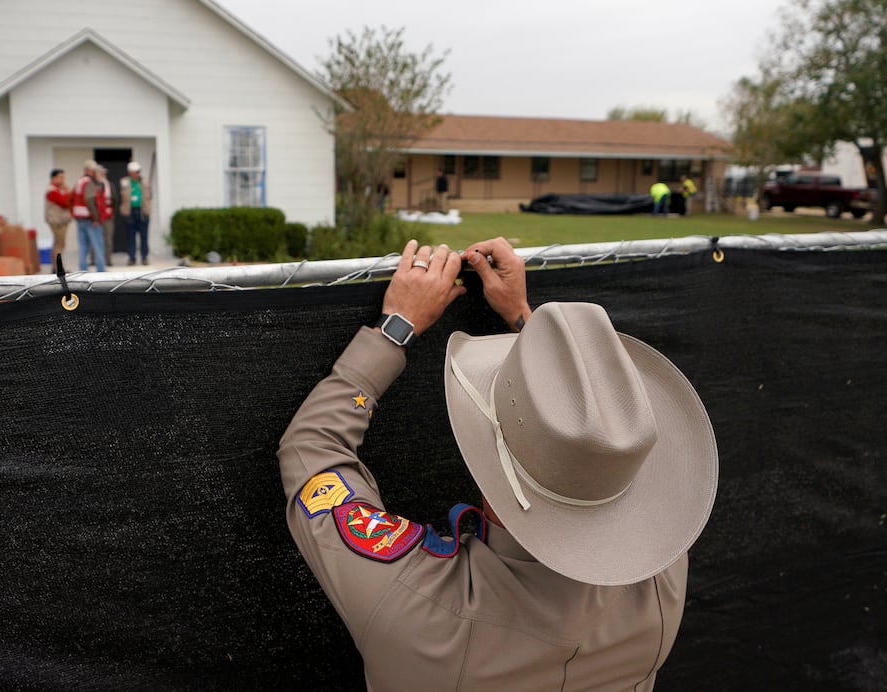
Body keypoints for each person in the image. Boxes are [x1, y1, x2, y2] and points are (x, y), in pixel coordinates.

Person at [279, 237, 718, 689]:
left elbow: (310, 447)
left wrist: (397, 326)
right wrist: (535, 335)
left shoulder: (417, 606)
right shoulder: (663, 574)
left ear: (489, 470)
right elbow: (587, 454)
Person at [69, 160, 107, 272]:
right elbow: (90, 200)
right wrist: (96, 218)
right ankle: (101, 271)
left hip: (79, 218)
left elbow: (71, 199)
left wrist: (73, 213)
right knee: (98, 246)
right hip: (90, 219)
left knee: (83, 246)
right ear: (88, 170)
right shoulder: (89, 182)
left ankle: (83, 270)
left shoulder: (78, 181)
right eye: (93, 170)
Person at [119, 161, 152, 266]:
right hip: (130, 212)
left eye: (139, 171)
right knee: (131, 237)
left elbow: (150, 195)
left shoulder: (145, 181)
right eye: (136, 171)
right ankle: (132, 258)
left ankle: (144, 257)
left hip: (142, 211)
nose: (138, 173)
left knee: (144, 236)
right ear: (130, 172)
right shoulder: (124, 182)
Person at [43, 169, 74, 270]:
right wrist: (67, 190)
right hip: (57, 221)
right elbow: (65, 202)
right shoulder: (52, 190)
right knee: (59, 245)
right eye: (60, 177)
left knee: (58, 244)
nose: (62, 180)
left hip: (61, 220)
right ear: (53, 178)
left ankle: (55, 267)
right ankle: (58, 268)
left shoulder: (58, 189)